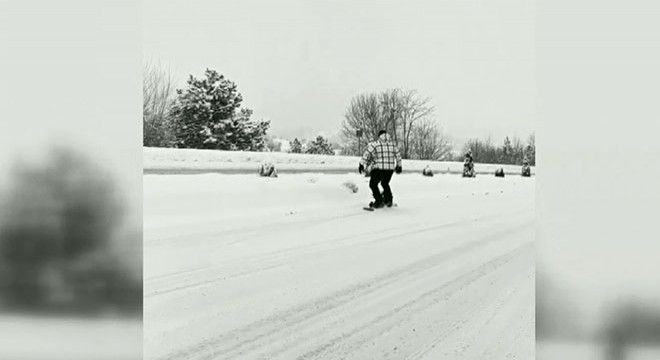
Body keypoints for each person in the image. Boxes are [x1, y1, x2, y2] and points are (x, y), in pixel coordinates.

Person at [358, 130, 402, 208]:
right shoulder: (393, 145)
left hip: (379, 168)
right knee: (385, 183)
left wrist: (361, 164)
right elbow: (398, 155)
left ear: (379, 136)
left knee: (373, 184)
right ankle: (388, 200)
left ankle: (379, 201)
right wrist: (399, 166)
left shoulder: (376, 144)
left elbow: (367, 153)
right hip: (389, 169)